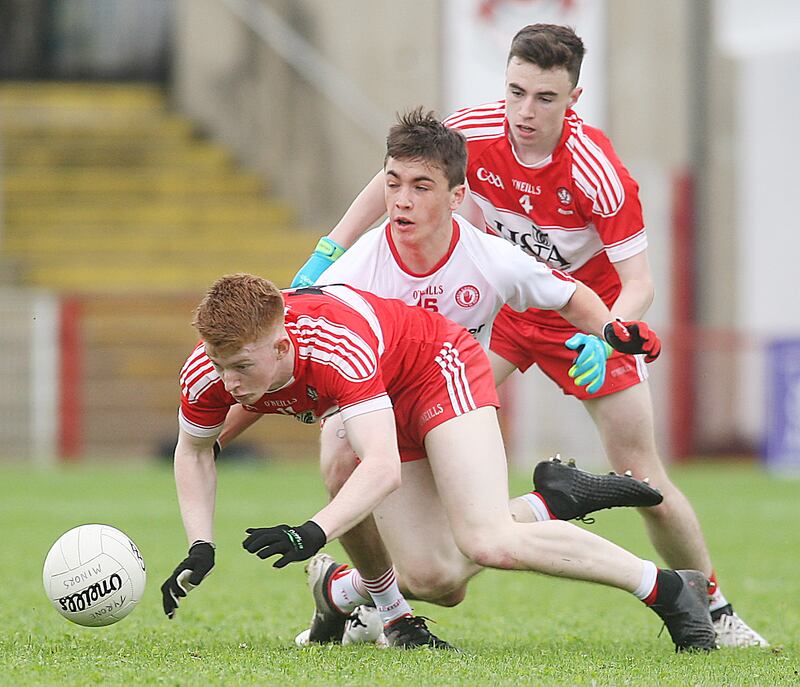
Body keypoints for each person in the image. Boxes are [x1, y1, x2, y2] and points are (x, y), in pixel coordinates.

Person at [290, 24, 766, 648]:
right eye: (515, 91)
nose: (524, 111)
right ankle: (463, 549)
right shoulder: (473, 129)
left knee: (643, 477)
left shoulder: (598, 170)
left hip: (582, 316)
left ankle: (714, 605)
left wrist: (605, 337)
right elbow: (393, 180)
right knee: (426, 440)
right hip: (510, 310)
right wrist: (331, 247)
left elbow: (639, 282)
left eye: (545, 98)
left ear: (574, 99)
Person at [161, 271, 715, 654]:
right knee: (437, 579)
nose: (227, 383)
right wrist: (199, 543)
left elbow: (380, 467)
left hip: (437, 370)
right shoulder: (212, 368)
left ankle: (666, 589)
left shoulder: (336, 349)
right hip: (375, 400)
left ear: (282, 346)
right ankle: (544, 506)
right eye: (219, 365)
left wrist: (312, 532)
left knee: (487, 542)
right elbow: (194, 450)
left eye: (240, 367)